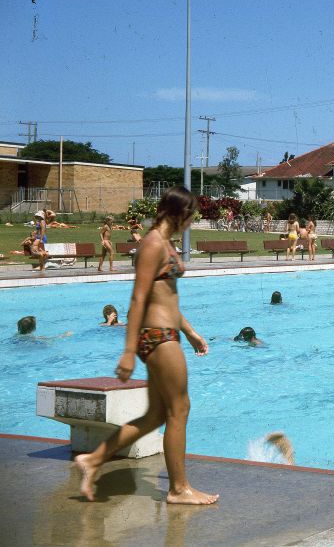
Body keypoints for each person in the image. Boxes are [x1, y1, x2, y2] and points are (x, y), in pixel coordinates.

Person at [73, 186, 218, 505]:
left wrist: (191, 332)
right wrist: (127, 353)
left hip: (167, 332)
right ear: (181, 213)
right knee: (180, 408)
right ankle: (179, 489)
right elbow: (138, 298)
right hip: (158, 337)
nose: (192, 221)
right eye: (192, 215)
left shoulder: (164, 243)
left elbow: (166, 297)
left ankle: (94, 459)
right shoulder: (152, 244)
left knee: (156, 415)